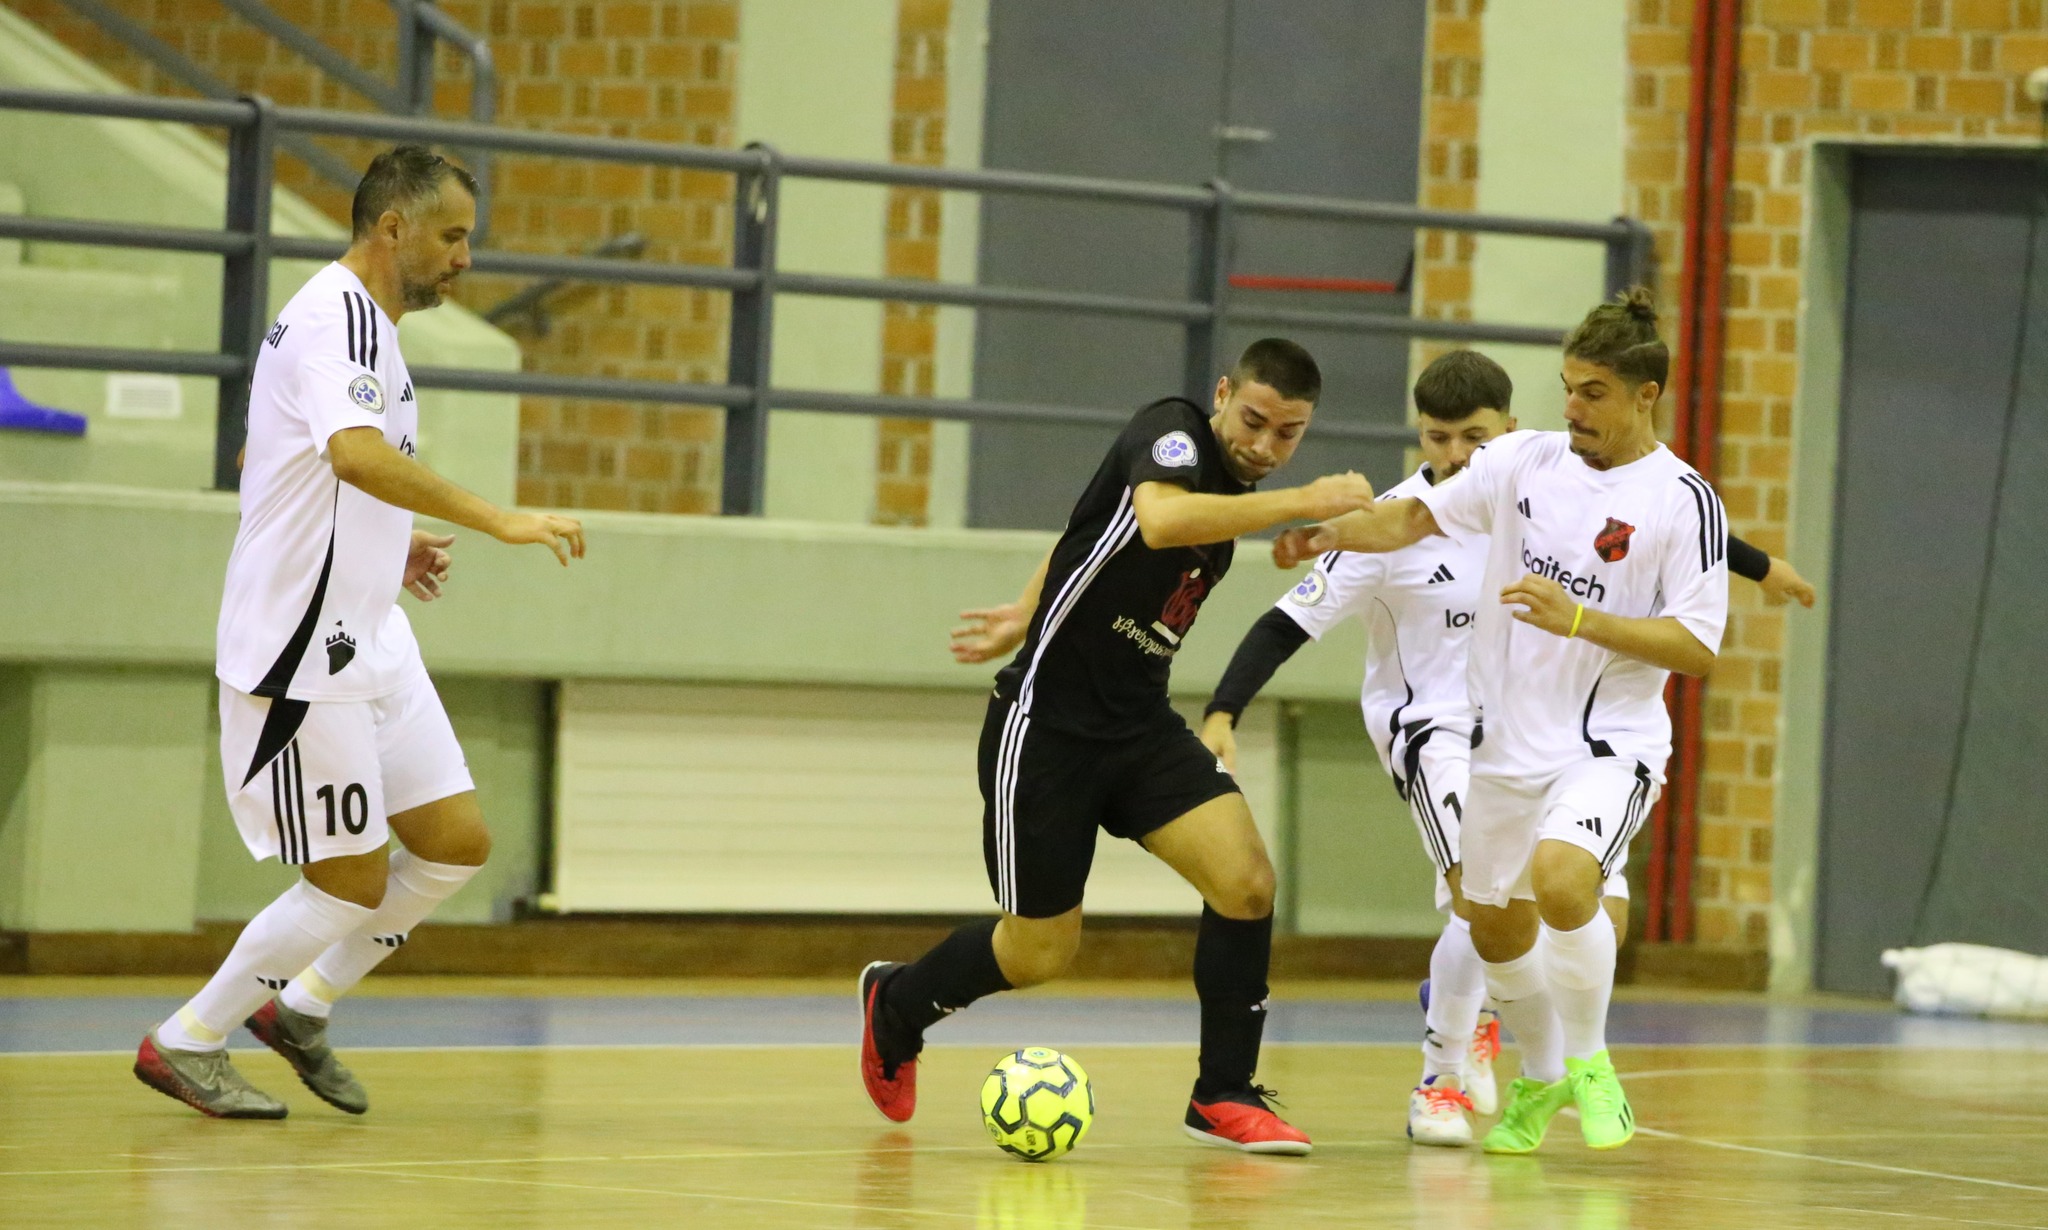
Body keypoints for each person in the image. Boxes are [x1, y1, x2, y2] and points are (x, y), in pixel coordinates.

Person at [1206, 348, 1813, 1146]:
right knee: (1483, 906)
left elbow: (1644, 518)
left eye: (1473, 437)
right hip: (1436, 728)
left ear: (1505, 433)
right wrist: (1224, 708)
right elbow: (1286, 621)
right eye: (1438, 438)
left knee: (1583, 911)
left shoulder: (1535, 479)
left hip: (1552, 722)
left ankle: (1516, 1038)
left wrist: (1763, 568)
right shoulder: (1400, 516)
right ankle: (1446, 1074)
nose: (1456, 455)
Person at [133, 146, 586, 1119]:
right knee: (347, 881)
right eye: (453, 236)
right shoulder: (336, 317)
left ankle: (301, 1009)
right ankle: (189, 1036)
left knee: (455, 843)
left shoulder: (364, 326)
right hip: (302, 651)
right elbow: (349, 452)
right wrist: (494, 519)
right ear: (394, 230)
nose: (466, 257)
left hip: (366, 630)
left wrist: (388, 538)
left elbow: (277, 452)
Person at [858, 340, 1375, 1155]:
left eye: (1289, 434)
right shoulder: (1173, 432)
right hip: (1047, 728)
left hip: (1138, 728)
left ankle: (1222, 1094)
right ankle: (897, 1003)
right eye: (1254, 421)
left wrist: (1027, 607)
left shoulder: (1233, 504)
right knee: (1039, 951)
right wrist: (1302, 499)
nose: (1264, 447)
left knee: (1246, 882)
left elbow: (1083, 530)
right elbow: (1155, 517)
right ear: (1221, 394)